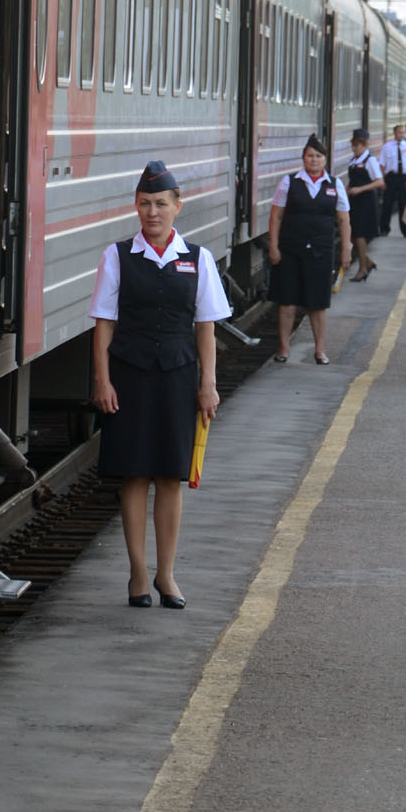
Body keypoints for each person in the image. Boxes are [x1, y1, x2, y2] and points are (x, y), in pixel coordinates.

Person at [91, 161, 229, 607]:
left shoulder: (198, 258)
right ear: (136, 206)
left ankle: (166, 575)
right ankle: (137, 572)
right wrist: (103, 381)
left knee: (170, 477)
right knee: (134, 476)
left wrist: (208, 384)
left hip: (177, 377)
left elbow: (206, 327)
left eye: (161, 204)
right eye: (146, 204)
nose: (153, 212)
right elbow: (104, 326)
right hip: (129, 378)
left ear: (177, 207)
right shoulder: (116, 256)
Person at [267, 135, 352, 365]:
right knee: (287, 301)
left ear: (325, 159)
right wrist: (273, 246)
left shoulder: (335, 185)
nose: (313, 160)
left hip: (322, 251)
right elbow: (276, 216)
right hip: (290, 249)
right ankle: (283, 348)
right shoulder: (289, 182)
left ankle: (320, 350)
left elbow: (344, 221)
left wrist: (346, 248)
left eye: (318, 156)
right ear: (303, 158)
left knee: (318, 303)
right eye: (309, 156)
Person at [346, 129, 384, 280]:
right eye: (353, 145)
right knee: (354, 235)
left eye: (357, 145)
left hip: (366, 201)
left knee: (359, 234)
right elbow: (353, 180)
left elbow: (379, 182)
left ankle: (362, 268)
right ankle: (367, 262)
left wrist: (360, 189)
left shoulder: (370, 161)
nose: (354, 148)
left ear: (364, 145)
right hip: (355, 201)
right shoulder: (354, 160)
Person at [378, 124, 406, 238]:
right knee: (387, 204)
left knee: (404, 204)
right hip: (391, 177)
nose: (401, 134)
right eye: (399, 132)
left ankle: (405, 229)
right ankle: (384, 228)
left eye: (403, 132)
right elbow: (382, 164)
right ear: (394, 133)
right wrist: (383, 180)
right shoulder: (387, 147)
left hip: (404, 177)